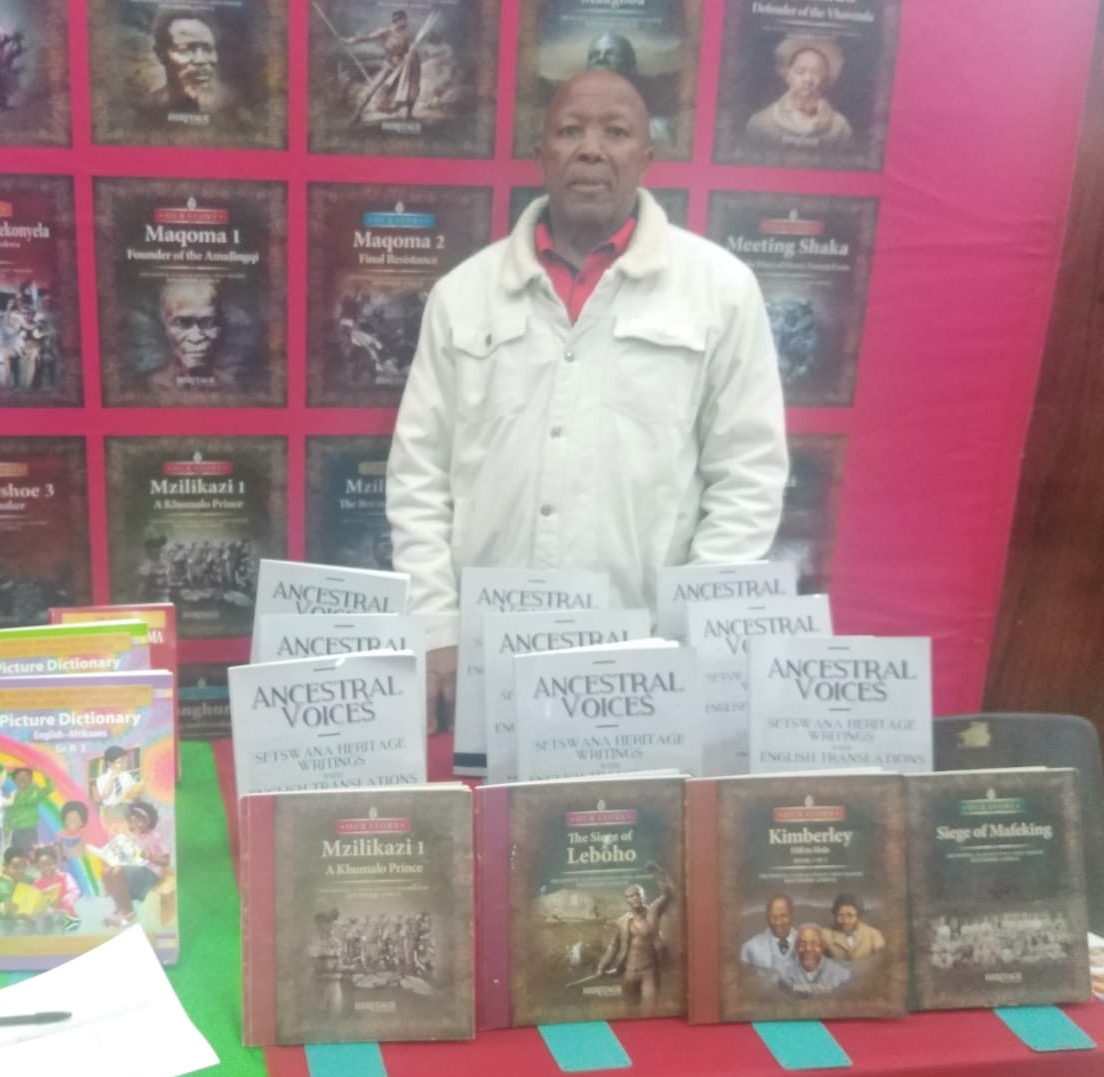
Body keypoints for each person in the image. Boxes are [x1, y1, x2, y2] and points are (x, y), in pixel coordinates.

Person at [386, 69, 787, 730]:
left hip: (647, 658)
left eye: (616, 132)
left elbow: (748, 474)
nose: (592, 150)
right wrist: (437, 627)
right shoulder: (464, 294)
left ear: (647, 157)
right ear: (540, 155)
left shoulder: (720, 290)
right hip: (489, 662)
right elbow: (418, 475)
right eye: (570, 131)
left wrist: (696, 635)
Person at [594, 861, 674, 1016]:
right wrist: (601, 967)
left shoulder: (654, 911)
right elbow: (613, 947)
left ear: (644, 896)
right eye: (631, 896)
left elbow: (668, 893)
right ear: (627, 900)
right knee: (630, 1011)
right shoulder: (622, 921)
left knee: (649, 1010)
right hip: (629, 972)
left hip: (649, 971)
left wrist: (658, 872)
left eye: (638, 894)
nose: (636, 897)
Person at [745, 36, 853, 151]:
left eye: (816, 73)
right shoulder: (760, 124)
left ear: (825, 79)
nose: (808, 79)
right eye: (800, 72)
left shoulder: (839, 128)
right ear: (787, 75)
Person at [145, 278, 231, 391]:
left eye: (207, 322)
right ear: (165, 327)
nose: (195, 338)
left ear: (220, 326)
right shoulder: (149, 388)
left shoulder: (230, 387)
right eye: (182, 323)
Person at [146, 11, 236, 119]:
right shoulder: (146, 107)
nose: (200, 60)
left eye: (208, 49)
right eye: (185, 49)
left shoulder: (229, 107)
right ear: (161, 54)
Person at [101, 799, 171, 928]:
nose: (136, 824)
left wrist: (151, 858)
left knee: (117, 872)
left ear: (149, 820)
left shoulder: (155, 836)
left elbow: (166, 861)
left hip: (151, 873)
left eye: (140, 820)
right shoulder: (135, 837)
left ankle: (128, 911)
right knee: (108, 871)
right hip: (138, 869)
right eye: (132, 821)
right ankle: (120, 909)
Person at [347, 9, 423, 124]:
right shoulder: (386, 31)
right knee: (374, 87)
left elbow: (410, 51)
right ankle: (357, 114)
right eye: (404, 20)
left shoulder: (406, 35)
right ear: (398, 20)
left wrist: (411, 53)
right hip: (389, 65)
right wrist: (353, 40)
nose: (407, 23)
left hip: (403, 66)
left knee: (411, 87)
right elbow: (368, 37)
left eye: (406, 20)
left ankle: (409, 113)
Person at [777, 924, 853, 995]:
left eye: (814, 943)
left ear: (822, 946)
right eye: (803, 944)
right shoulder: (783, 975)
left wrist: (798, 988)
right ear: (796, 947)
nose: (808, 948)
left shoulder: (841, 975)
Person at [739, 895, 797, 972]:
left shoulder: (808, 943)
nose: (778, 922)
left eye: (783, 916)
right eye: (772, 916)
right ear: (767, 918)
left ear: (792, 915)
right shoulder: (750, 948)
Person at [823, 892, 886, 961]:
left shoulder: (874, 935)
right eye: (840, 915)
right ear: (835, 915)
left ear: (859, 916)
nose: (845, 921)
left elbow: (881, 961)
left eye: (850, 915)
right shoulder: (825, 935)